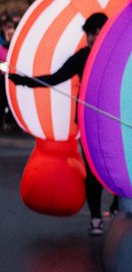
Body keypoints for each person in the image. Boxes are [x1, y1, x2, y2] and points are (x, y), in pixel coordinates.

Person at [8, 12, 113, 232]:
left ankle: (116, 206)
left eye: (93, 33)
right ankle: (96, 218)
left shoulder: (116, 55)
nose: (91, 38)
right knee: (93, 171)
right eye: (89, 34)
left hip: (114, 122)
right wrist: (25, 81)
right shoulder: (82, 57)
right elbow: (56, 78)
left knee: (115, 167)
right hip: (88, 122)